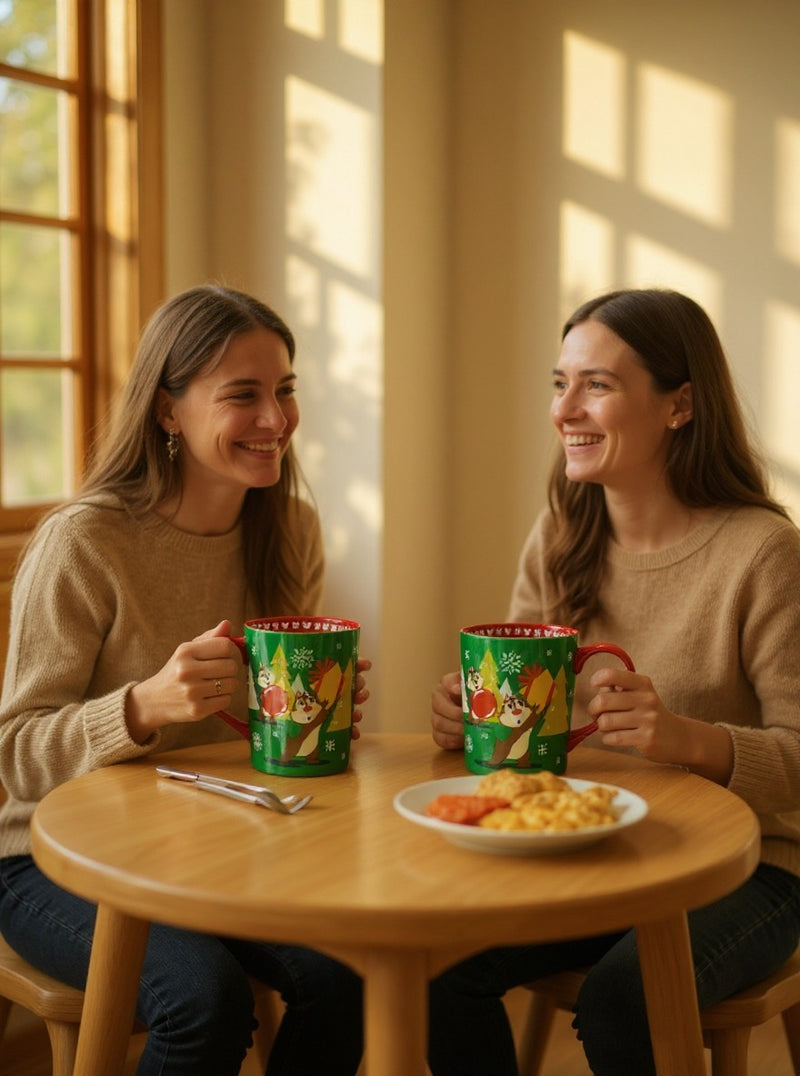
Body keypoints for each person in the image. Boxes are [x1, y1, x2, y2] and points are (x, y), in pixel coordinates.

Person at [428, 288, 800, 1076]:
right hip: (594, 850)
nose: (565, 409)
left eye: (596, 385)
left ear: (680, 406)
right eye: (560, 383)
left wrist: (689, 741)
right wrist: (475, 723)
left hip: (752, 866)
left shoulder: (764, 553)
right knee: (437, 966)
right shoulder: (562, 533)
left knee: (623, 1003)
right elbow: (526, 730)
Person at [0, 284, 370, 1076]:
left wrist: (315, 716)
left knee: (349, 973)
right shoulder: (84, 541)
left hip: (214, 846)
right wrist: (140, 707)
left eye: (284, 391)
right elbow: (17, 755)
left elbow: (264, 731)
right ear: (168, 410)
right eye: (243, 395)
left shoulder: (290, 531)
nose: (275, 419)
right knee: (204, 1001)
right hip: (51, 857)